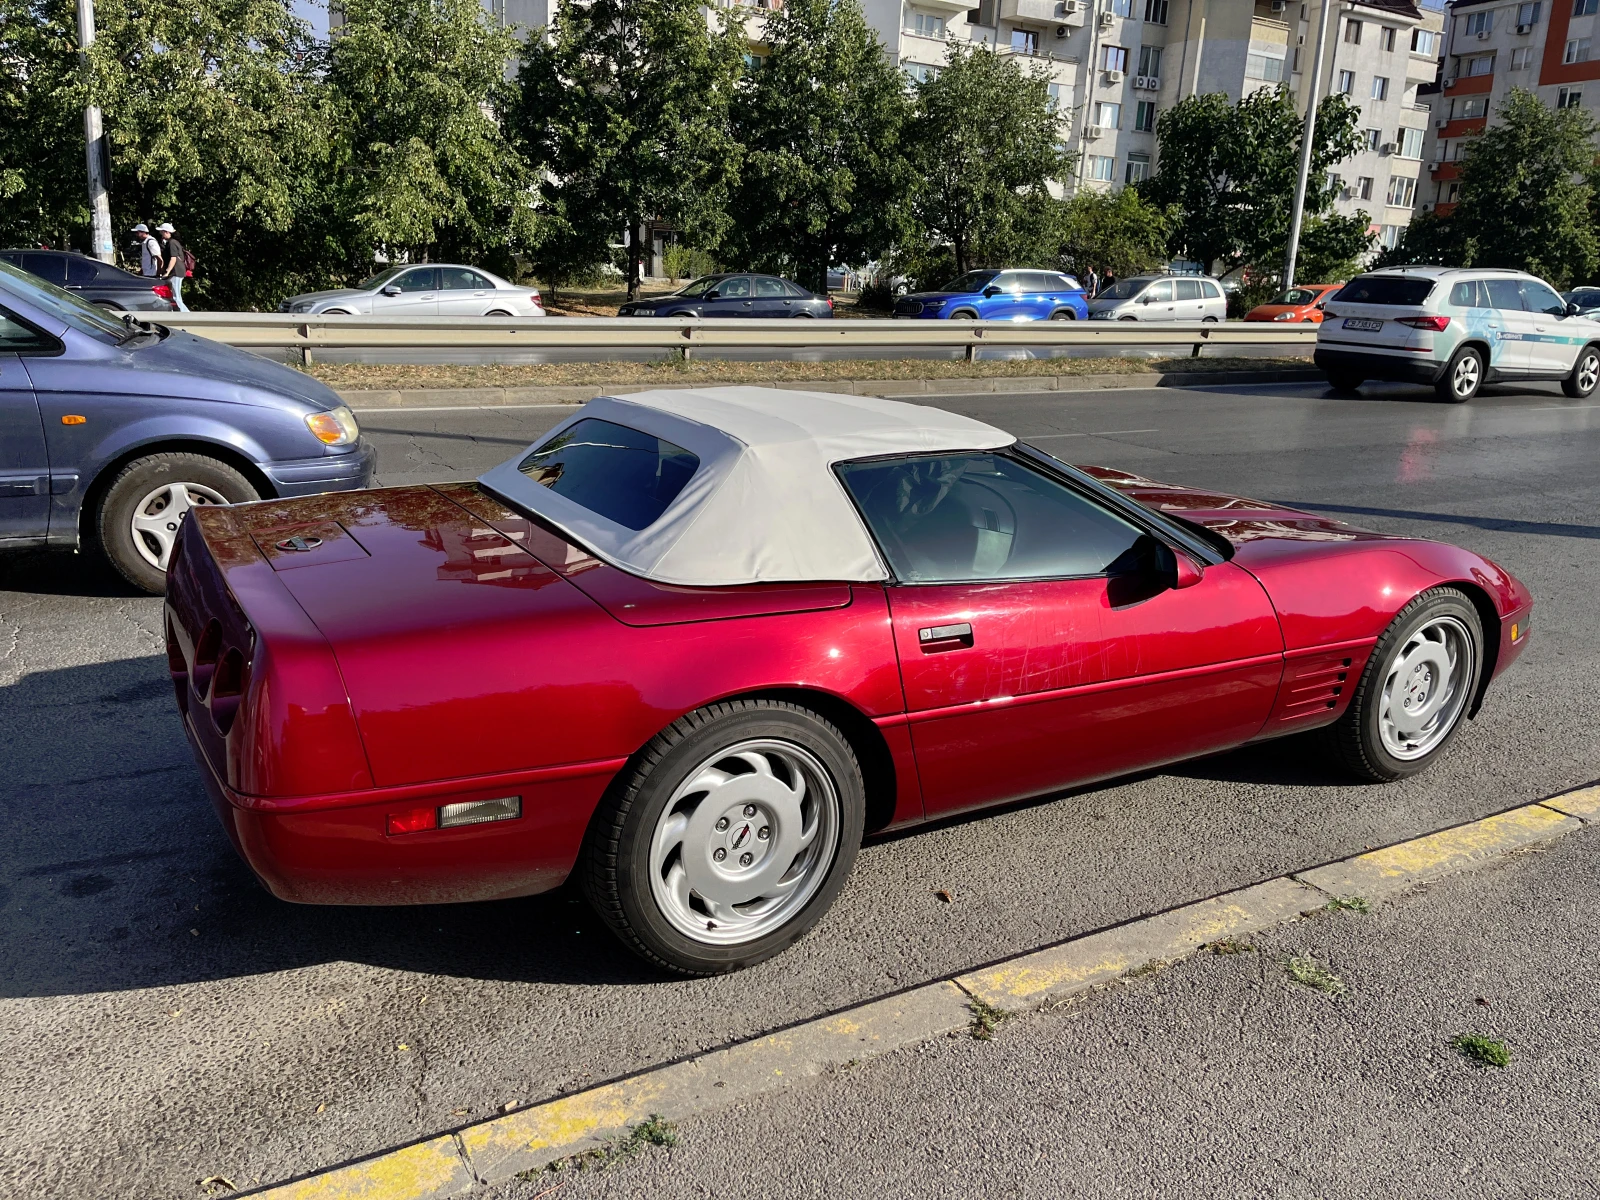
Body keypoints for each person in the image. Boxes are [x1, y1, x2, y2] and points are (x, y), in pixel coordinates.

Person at [156, 222, 189, 311]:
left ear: (166, 232)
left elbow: (173, 258)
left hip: (176, 272)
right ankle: (184, 313)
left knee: (176, 296)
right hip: (176, 272)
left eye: (161, 232)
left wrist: (167, 272)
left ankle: (186, 314)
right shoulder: (173, 242)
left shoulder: (172, 243)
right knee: (176, 296)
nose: (160, 234)